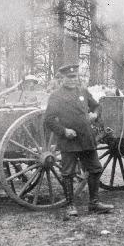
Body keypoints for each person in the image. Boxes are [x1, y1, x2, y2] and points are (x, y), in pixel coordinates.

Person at [44, 64, 113, 217]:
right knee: (68, 173)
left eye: (75, 77)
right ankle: (70, 206)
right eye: (69, 77)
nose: (73, 80)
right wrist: (64, 131)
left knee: (95, 169)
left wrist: (95, 115)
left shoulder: (83, 91)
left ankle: (94, 203)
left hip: (87, 139)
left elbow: (96, 106)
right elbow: (48, 119)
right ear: (62, 78)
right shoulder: (56, 95)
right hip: (69, 141)